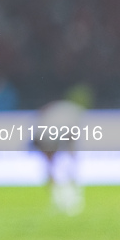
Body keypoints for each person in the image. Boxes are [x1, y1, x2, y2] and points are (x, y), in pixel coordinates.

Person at [35, 84, 93, 216]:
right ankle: (64, 192)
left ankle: (57, 194)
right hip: (48, 132)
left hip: (46, 131)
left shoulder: (64, 109)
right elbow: (71, 136)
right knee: (55, 164)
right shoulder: (75, 111)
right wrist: (72, 156)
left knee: (51, 166)